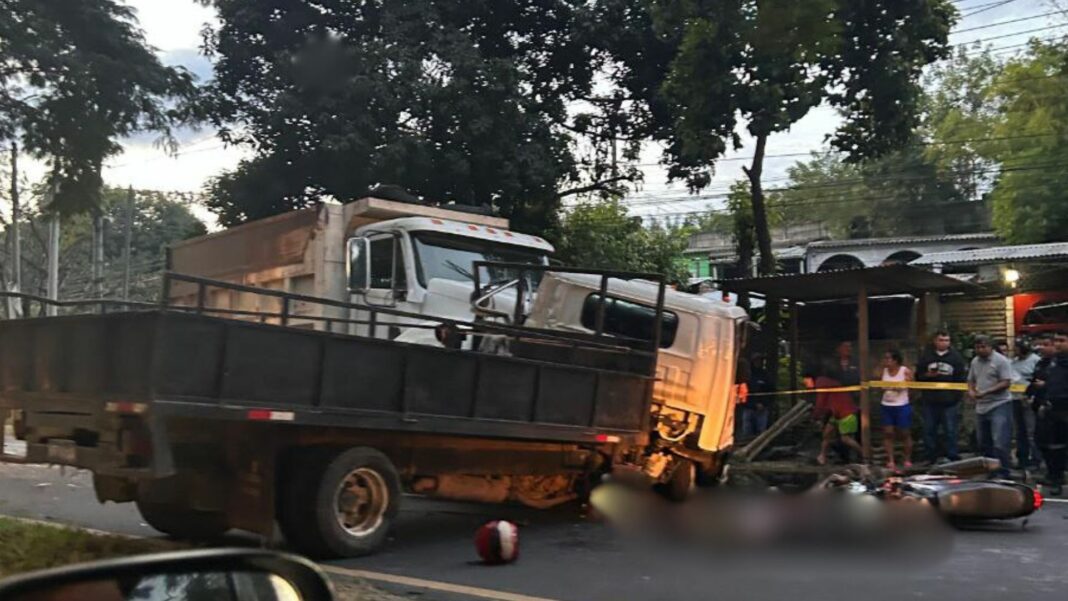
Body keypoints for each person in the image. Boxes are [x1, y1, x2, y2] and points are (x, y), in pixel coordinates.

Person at [967, 335, 1015, 479]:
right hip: (981, 406)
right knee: (984, 441)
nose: (980, 350)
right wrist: (971, 391)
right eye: (977, 347)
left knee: (1000, 441)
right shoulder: (975, 361)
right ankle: (991, 471)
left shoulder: (1001, 361)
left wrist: (987, 392)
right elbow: (970, 380)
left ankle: (1004, 472)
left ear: (990, 347)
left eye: (983, 347)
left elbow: (1006, 382)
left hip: (999, 403)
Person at [915, 330, 967, 463]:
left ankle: (952, 456)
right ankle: (930, 456)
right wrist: (927, 376)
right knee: (929, 430)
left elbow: (961, 379)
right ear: (935, 341)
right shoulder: (926, 357)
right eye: (941, 340)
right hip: (930, 401)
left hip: (949, 401)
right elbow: (918, 376)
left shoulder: (956, 358)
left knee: (950, 430)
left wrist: (956, 397)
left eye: (947, 340)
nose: (944, 343)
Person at [1036, 331, 1068, 495]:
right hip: (1053, 409)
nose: (1057, 344)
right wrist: (1044, 402)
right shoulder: (1052, 362)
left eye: (1062, 340)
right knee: (1054, 447)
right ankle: (1055, 479)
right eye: (1056, 341)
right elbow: (1050, 385)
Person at [813, 365, 863, 465]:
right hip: (836, 413)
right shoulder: (833, 383)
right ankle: (822, 456)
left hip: (846, 413)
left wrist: (816, 415)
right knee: (827, 434)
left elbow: (820, 402)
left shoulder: (822, 382)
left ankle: (864, 454)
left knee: (846, 439)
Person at [1029, 334, 1057, 491]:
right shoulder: (1040, 363)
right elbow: (1034, 381)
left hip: (1056, 409)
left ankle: (1057, 476)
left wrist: (1046, 385)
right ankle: (1051, 472)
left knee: (1057, 444)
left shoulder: (1059, 364)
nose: (1041, 348)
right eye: (1040, 345)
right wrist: (1029, 394)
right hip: (1040, 408)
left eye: (1046, 344)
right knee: (1041, 441)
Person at [880, 349, 913, 470]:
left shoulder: (905, 371)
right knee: (888, 433)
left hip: (902, 405)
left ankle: (907, 458)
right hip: (887, 405)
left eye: (889, 358)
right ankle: (890, 460)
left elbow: (911, 385)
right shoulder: (884, 371)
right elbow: (881, 385)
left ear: (895, 360)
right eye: (885, 358)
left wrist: (900, 386)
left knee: (905, 433)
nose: (886, 361)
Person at [1010, 338, 1041, 469]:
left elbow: (1037, 381)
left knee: (1031, 432)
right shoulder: (1014, 362)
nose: (1014, 350)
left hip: (1029, 401)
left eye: (1016, 347)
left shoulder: (1035, 361)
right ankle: (1022, 458)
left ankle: (1036, 459)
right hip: (1015, 399)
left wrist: (1032, 396)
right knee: (1020, 432)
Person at [741, 354, 773, 436]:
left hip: (762, 408)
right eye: (756, 360)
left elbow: (770, 391)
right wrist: (752, 404)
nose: (758, 362)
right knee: (747, 431)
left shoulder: (766, 375)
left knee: (761, 432)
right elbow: (743, 391)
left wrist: (763, 403)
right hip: (748, 407)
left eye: (760, 360)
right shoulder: (747, 375)